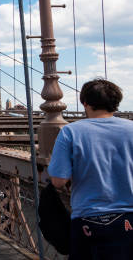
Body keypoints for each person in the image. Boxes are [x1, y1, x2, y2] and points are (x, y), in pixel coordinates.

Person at [48, 79, 133, 259]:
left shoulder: (71, 132)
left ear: (85, 102)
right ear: (116, 103)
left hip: (88, 220)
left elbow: (58, 181)